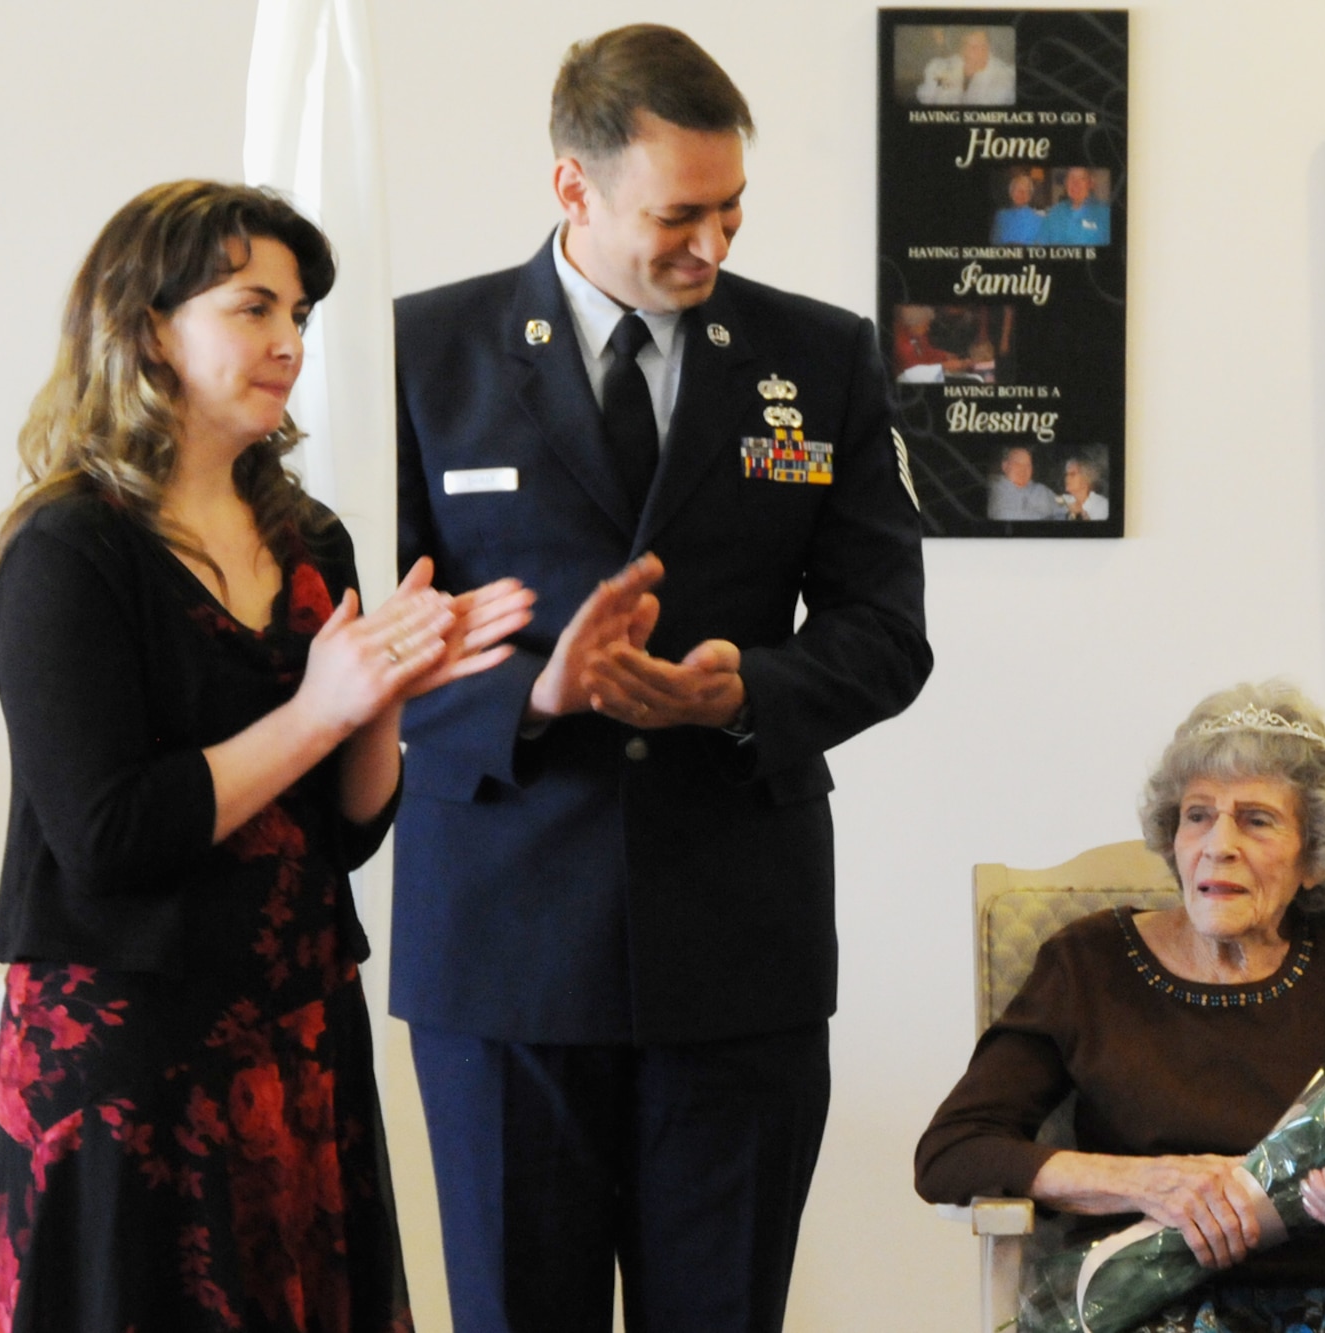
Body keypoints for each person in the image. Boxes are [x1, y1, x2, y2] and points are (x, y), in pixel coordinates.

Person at [392, 25, 931, 1333]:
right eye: (678, 216)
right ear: (572, 188)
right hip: (504, 952)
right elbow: (357, 654)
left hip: (738, 948)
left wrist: (743, 691)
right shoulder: (422, 354)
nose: (713, 249)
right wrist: (534, 693)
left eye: (734, 211)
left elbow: (885, 631)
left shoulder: (823, 356)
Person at [0, 181, 535, 1331]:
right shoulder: (69, 549)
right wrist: (325, 709)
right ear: (145, 329)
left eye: (299, 315)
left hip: (295, 1026)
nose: (288, 341)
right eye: (251, 307)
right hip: (131, 1057)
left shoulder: (310, 536)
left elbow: (347, 825)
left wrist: (390, 694)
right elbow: (107, 835)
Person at [915, 681, 1325, 1333]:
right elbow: (955, 1149)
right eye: (1197, 814)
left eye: (1256, 819)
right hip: (1151, 1304)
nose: (1217, 842)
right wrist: (1148, 1183)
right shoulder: (1087, 964)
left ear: (1314, 855)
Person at [916, 27, 1017, 106]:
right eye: (970, 46)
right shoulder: (940, 68)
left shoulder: (1006, 76)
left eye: (982, 46)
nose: (982, 52)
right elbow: (925, 99)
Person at [1038, 167, 1111, 246]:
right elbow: (1039, 244)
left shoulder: (1105, 214)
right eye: (1071, 177)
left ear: (1091, 183)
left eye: (1082, 178)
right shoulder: (1055, 211)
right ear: (1066, 183)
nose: (1075, 183)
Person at [988, 445, 1065, 520]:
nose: (1023, 470)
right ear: (1005, 466)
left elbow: (1067, 509)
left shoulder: (1041, 490)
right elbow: (1004, 515)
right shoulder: (995, 490)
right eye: (1018, 464)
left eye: (1028, 465)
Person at [993, 171, 1045, 244]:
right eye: (1018, 189)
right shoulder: (1000, 215)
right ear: (1011, 192)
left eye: (1026, 191)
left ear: (1029, 197)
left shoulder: (1040, 220)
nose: (1022, 194)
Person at [1060, 455, 1110, 520]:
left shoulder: (1103, 505)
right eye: (1066, 474)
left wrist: (1080, 514)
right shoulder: (1064, 500)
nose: (1066, 478)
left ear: (1086, 479)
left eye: (1072, 474)